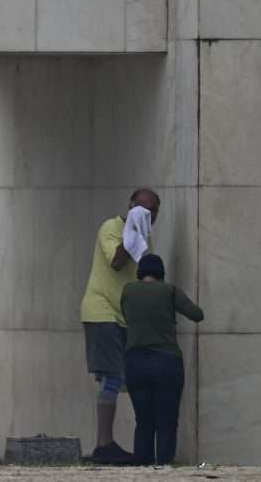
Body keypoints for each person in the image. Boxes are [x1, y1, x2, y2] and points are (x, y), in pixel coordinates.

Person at [79, 188, 160, 464]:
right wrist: (132, 231)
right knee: (112, 377)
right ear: (130, 207)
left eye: (152, 212)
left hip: (125, 316)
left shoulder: (144, 237)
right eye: (141, 209)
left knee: (127, 379)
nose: (147, 216)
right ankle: (104, 444)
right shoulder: (112, 228)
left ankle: (121, 442)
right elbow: (116, 262)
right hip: (102, 313)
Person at [121, 253, 203, 465]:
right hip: (167, 362)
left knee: (143, 421)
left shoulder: (128, 291)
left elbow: (126, 316)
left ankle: (142, 467)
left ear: (140, 273)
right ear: (161, 273)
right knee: (166, 421)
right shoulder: (169, 290)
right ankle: (164, 467)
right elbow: (196, 314)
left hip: (135, 362)